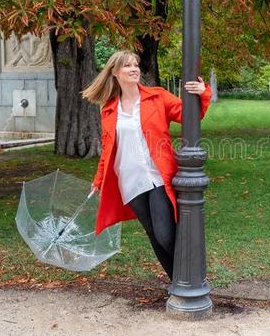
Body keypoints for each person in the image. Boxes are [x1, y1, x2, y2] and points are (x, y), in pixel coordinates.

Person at [81, 50, 212, 281]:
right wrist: (99, 179)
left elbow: (189, 115)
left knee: (164, 233)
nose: (134, 69)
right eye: (127, 66)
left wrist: (204, 94)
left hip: (158, 175)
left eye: (135, 65)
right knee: (152, 233)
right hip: (130, 179)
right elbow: (108, 147)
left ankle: (192, 277)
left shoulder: (157, 97)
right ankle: (176, 283)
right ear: (115, 72)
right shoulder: (110, 110)